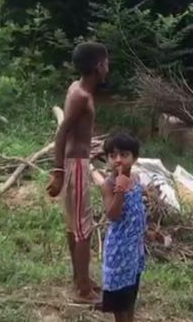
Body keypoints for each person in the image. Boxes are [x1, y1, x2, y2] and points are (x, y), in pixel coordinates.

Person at [46, 41, 109, 304]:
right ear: (98, 66)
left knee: (75, 226)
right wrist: (58, 171)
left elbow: (72, 130)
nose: (108, 67)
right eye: (106, 63)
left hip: (76, 162)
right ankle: (83, 290)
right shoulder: (81, 96)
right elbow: (63, 133)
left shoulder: (77, 88)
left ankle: (80, 278)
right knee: (83, 228)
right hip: (77, 166)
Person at [100, 132, 146, 322]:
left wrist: (149, 231)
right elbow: (113, 215)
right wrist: (120, 189)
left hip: (134, 250)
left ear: (134, 158)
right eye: (113, 156)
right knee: (119, 305)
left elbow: (138, 209)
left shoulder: (136, 179)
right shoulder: (108, 185)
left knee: (130, 298)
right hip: (118, 252)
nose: (118, 160)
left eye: (124, 155)